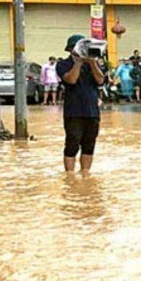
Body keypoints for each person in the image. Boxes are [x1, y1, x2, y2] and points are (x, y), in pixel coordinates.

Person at [57, 34, 105, 175]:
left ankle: (85, 172)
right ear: (71, 50)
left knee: (89, 143)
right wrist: (78, 63)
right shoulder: (63, 64)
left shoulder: (94, 64)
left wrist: (92, 63)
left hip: (92, 111)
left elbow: (100, 80)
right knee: (72, 143)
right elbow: (71, 80)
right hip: (73, 111)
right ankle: (70, 175)